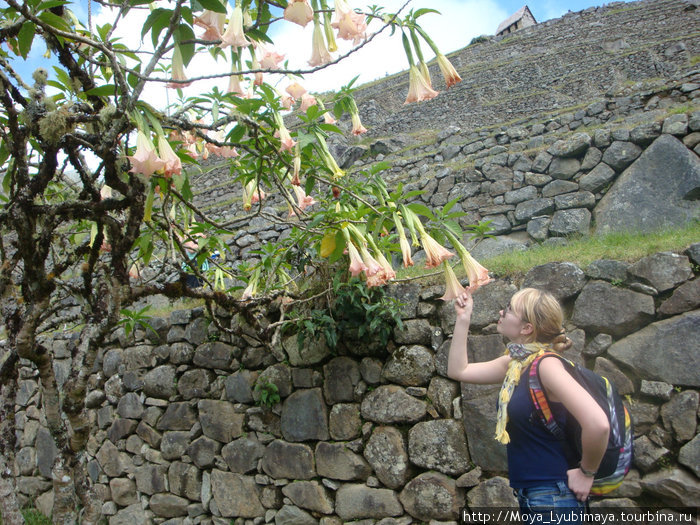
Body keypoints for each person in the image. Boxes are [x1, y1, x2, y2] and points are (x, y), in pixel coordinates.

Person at [447, 288, 610, 523]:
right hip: (535, 497)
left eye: (510, 309)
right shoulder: (516, 364)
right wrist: (463, 318)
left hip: (554, 498)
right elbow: (458, 370)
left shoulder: (547, 365)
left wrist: (587, 473)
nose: (502, 311)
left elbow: (598, 424)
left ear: (527, 328)